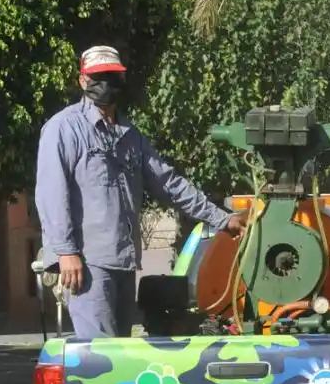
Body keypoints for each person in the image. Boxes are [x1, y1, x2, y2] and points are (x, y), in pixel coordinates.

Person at [34, 45, 246, 339]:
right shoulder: (64, 128)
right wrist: (66, 252)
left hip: (123, 261)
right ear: (82, 80)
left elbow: (169, 184)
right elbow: (51, 194)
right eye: (97, 77)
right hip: (87, 263)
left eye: (111, 76)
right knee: (100, 354)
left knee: (120, 353)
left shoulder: (131, 136)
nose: (104, 83)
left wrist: (222, 219)